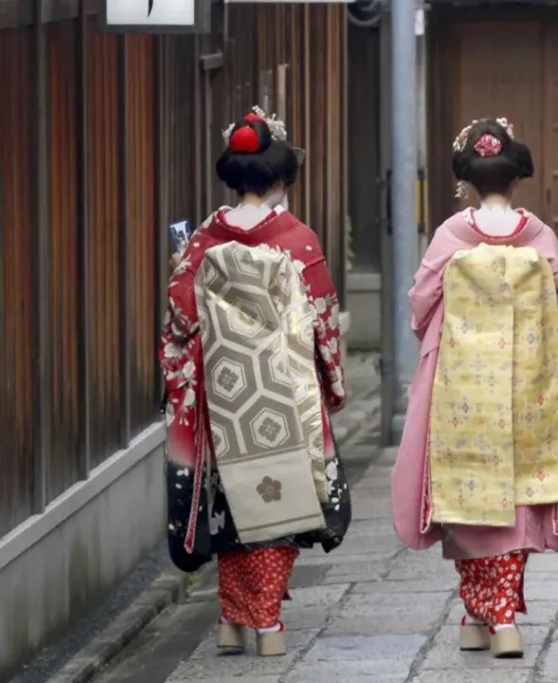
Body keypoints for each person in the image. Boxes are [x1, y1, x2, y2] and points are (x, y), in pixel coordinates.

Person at [390, 117, 558, 658]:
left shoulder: (452, 236)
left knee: (468, 490)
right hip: (530, 384)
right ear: (516, 180)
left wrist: (443, 337)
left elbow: (420, 302)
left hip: (461, 384)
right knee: (521, 493)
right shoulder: (539, 237)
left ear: (469, 181)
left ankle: (485, 614)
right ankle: (495, 617)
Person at [160, 107, 351, 658]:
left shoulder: (202, 239)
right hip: (280, 397)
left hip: (223, 397)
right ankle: (267, 623)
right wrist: (331, 385)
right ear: (281, 179)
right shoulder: (297, 238)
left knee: (228, 502)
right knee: (278, 500)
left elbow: (179, 322)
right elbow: (322, 320)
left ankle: (230, 620)